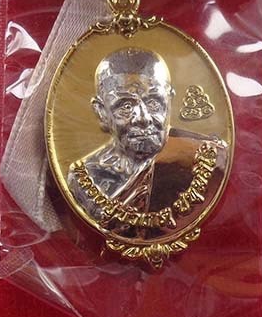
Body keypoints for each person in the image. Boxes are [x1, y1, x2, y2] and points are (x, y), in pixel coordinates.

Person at [68, 47, 226, 235]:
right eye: (126, 106)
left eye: (153, 103)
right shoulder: (85, 178)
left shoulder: (207, 157)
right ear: (101, 112)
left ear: (169, 101)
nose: (143, 118)